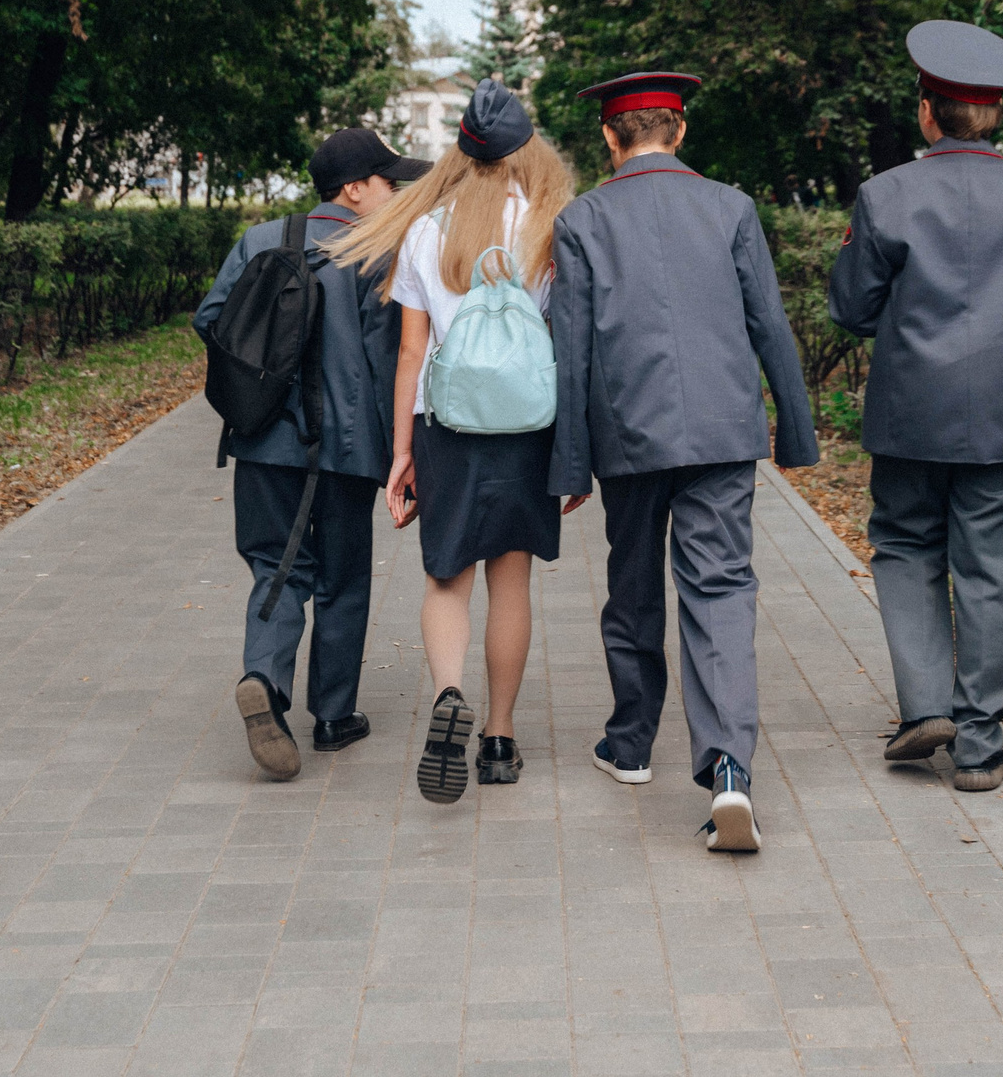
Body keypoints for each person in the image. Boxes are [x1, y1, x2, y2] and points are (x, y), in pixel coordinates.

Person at [827, 21, 1003, 792]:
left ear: (927, 111)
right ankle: (980, 742)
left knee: (908, 547)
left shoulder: (886, 194)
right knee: (996, 568)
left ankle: (926, 705)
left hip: (910, 412)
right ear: (999, 115)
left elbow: (851, 308)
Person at [548, 70, 818, 853]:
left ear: (610, 136)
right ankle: (729, 767)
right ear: (681, 130)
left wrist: (569, 466)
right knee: (722, 587)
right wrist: (793, 432)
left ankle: (630, 745)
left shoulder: (583, 219)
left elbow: (571, 352)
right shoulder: (731, 207)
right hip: (725, 431)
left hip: (627, 433)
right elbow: (770, 322)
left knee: (632, 582)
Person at [329, 79, 576, 805]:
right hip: (528, 426)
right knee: (511, 580)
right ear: (525, 150)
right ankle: (498, 736)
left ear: (460, 153)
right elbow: (566, 335)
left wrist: (400, 451)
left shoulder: (427, 227)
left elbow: (411, 352)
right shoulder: (548, 224)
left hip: (447, 423)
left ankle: (447, 692)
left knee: (446, 578)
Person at [195, 126, 426, 782]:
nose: (395, 193)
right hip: (350, 448)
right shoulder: (381, 252)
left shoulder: (262, 239)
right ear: (355, 188)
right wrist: (403, 454)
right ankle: (333, 715)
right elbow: (392, 359)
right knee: (343, 577)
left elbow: (212, 319)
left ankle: (263, 679)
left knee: (275, 564)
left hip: (265, 442)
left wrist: (258, 388)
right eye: (388, 181)